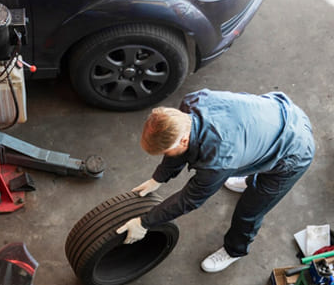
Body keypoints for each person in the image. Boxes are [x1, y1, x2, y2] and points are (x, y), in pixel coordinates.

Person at [116, 89, 316, 272]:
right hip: (273, 118)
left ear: (184, 140)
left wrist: (145, 222)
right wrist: (159, 177)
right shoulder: (191, 102)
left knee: (249, 211)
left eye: (166, 151)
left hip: (295, 150)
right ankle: (249, 179)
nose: (166, 154)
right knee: (245, 158)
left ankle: (234, 251)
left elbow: (190, 200)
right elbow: (177, 147)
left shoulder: (217, 160)